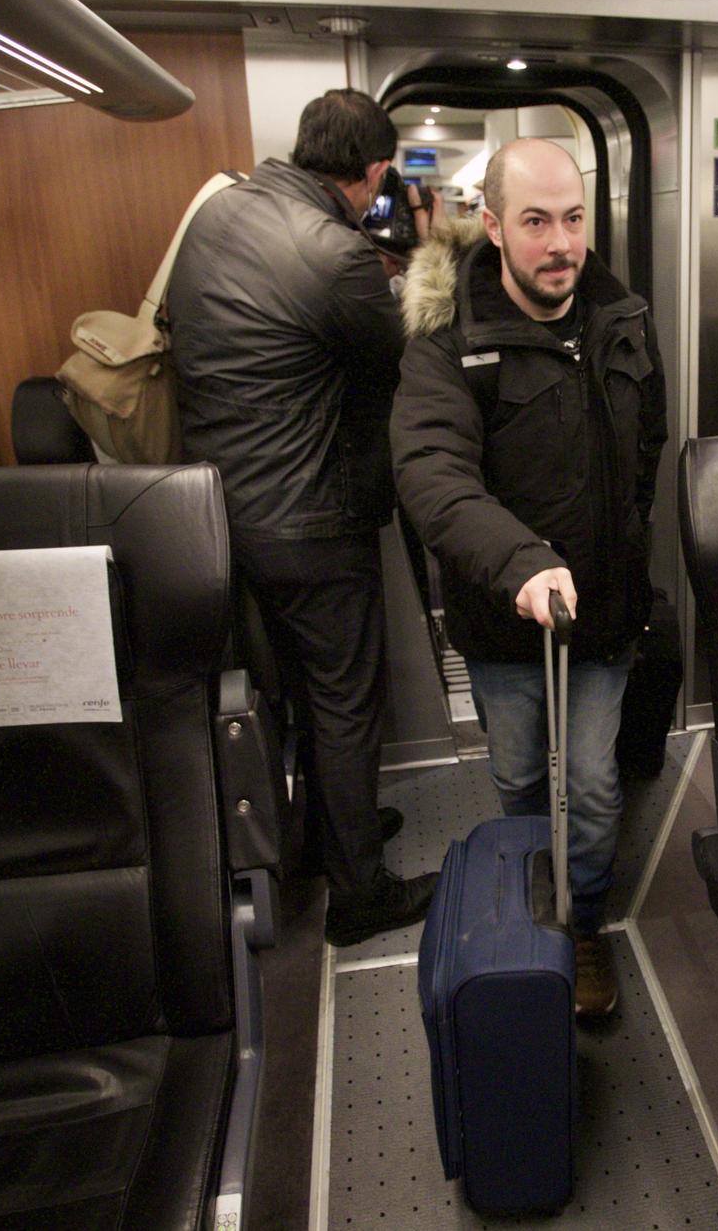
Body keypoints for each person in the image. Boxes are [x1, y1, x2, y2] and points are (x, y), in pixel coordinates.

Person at [393, 137, 666, 1019]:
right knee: (518, 772)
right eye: (538, 221)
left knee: (589, 782)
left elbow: (648, 443)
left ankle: (581, 922)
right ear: (497, 228)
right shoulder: (450, 342)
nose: (562, 244)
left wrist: (625, 542)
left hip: (606, 610)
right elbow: (433, 471)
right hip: (505, 619)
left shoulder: (624, 315)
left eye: (574, 219)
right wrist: (520, 562)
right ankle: (530, 885)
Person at [167, 88, 437, 946]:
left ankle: (325, 838)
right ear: (374, 173)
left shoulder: (218, 213)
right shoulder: (336, 254)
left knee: (296, 692)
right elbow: (406, 351)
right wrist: (422, 252)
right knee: (346, 700)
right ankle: (359, 896)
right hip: (311, 516)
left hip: (223, 515)